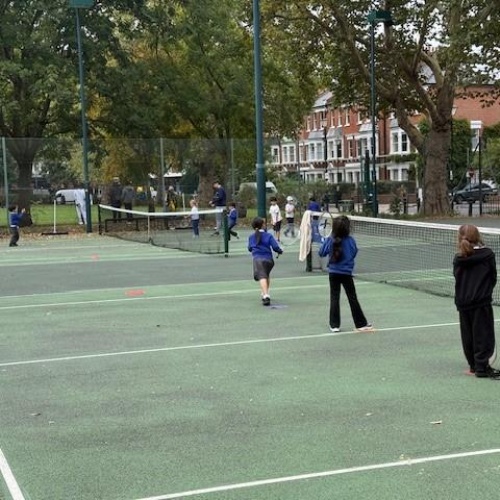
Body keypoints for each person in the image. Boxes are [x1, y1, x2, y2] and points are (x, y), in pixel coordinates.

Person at [453, 224, 500, 379]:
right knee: (483, 334)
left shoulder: (458, 258)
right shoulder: (488, 255)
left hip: (463, 302)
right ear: (477, 236)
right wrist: (484, 292)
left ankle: (474, 366)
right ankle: (481, 367)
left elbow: (457, 277)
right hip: (481, 302)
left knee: (468, 335)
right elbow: (493, 277)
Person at [318, 215, 372, 332]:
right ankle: (361, 324)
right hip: (346, 273)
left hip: (333, 273)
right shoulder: (350, 241)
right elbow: (354, 252)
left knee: (334, 298)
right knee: (352, 298)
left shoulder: (330, 239)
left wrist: (324, 242)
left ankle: (334, 325)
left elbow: (321, 253)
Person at [248, 217, 283, 306]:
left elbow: (249, 248)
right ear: (263, 225)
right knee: (266, 275)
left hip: (258, 260)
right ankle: (264, 291)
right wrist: (280, 251)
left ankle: (266, 296)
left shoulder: (251, 237)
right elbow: (275, 247)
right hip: (269, 260)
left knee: (262, 276)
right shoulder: (268, 236)